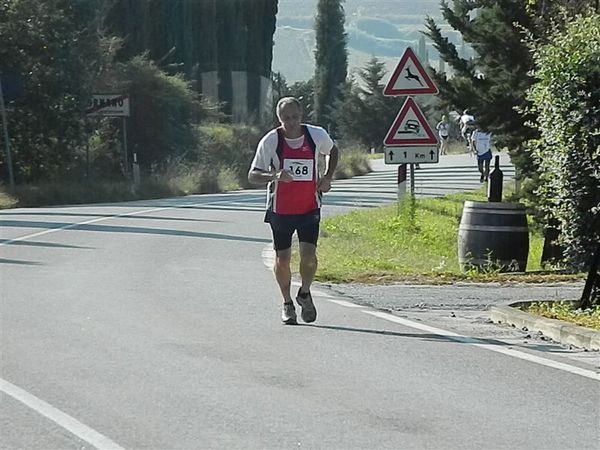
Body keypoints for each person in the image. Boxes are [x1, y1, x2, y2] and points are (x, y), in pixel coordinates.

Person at [248, 97, 339, 325]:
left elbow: (333, 150)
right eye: (286, 118)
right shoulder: (271, 140)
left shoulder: (315, 135)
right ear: (279, 119)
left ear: (301, 115)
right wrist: (274, 175)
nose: (291, 123)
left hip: (309, 207)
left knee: (309, 258)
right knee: (283, 259)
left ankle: (305, 293)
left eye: (294, 117)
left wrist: (327, 177)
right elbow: (253, 175)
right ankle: (287, 303)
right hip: (281, 210)